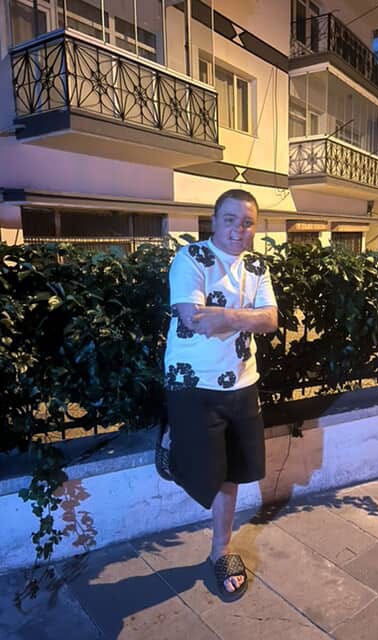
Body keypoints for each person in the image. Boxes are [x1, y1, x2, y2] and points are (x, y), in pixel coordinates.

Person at [164, 188, 278, 601]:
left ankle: (221, 549)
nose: (238, 229)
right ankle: (173, 446)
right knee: (200, 468)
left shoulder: (258, 267)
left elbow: (271, 320)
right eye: (230, 220)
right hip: (193, 383)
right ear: (214, 221)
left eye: (247, 223)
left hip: (242, 383)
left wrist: (227, 315)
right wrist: (249, 317)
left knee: (230, 471)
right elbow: (194, 319)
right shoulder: (191, 258)